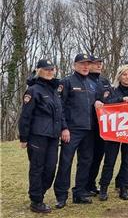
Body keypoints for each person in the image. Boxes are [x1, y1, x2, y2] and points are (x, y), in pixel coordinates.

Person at [18, 59, 64, 213]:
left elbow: (60, 113)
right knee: (37, 168)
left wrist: (63, 128)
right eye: (46, 69)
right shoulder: (33, 90)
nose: (50, 72)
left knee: (50, 168)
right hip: (37, 136)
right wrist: (23, 137)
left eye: (52, 69)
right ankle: (36, 200)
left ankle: (40, 193)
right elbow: (25, 116)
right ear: (39, 70)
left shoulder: (54, 90)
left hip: (53, 136)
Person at [97, 65, 128, 200]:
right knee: (109, 161)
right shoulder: (111, 91)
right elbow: (105, 106)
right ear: (119, 76)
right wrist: (120, 100)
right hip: (113, 133)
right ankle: (103, 188)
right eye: (124, 74)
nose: (127, 77)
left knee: (127, 162)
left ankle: (123, 188)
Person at [54, 53, 96, 208]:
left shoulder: (92, 83)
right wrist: (64, 128)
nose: (85, 67)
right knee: (66, 162)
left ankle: (79, 193)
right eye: (82, 64)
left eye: (88, 64)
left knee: (85, 162)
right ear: (75, 65)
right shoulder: (66, 82)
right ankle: (61, 195)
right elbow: (60, 107)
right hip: (72, 130)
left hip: (89, 130)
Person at [86, 55, 112, 196]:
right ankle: (84, 185)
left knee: (98, 157)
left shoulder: (104, 81)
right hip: (89, 125)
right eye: (95, 63)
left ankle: (91, 184)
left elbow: (112, 99)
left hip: (104, 126)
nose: (98, 65)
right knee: (87, 157)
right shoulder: (85, 80)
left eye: (100, 63)